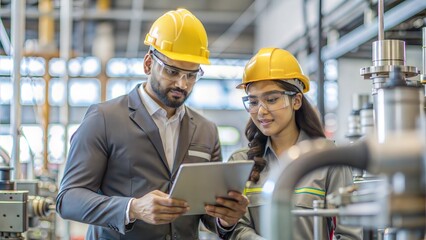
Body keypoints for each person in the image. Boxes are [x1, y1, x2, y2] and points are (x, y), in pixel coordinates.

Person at [56, 8, 249, 240]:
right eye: (172, 71)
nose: (182, 84)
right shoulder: (104, 118)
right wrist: (133, 208)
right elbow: (68, 199)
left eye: (191, 75)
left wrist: (225, 218)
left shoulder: (206, 130)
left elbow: (207, 214)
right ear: (148, 63)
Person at [225, 48, 363, 240]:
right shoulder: (240, 162)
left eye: (271, 100)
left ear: (296, 100)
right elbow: (236, 227)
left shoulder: (330, 160)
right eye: (253, 102)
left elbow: (350, 234)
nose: (261, 111)